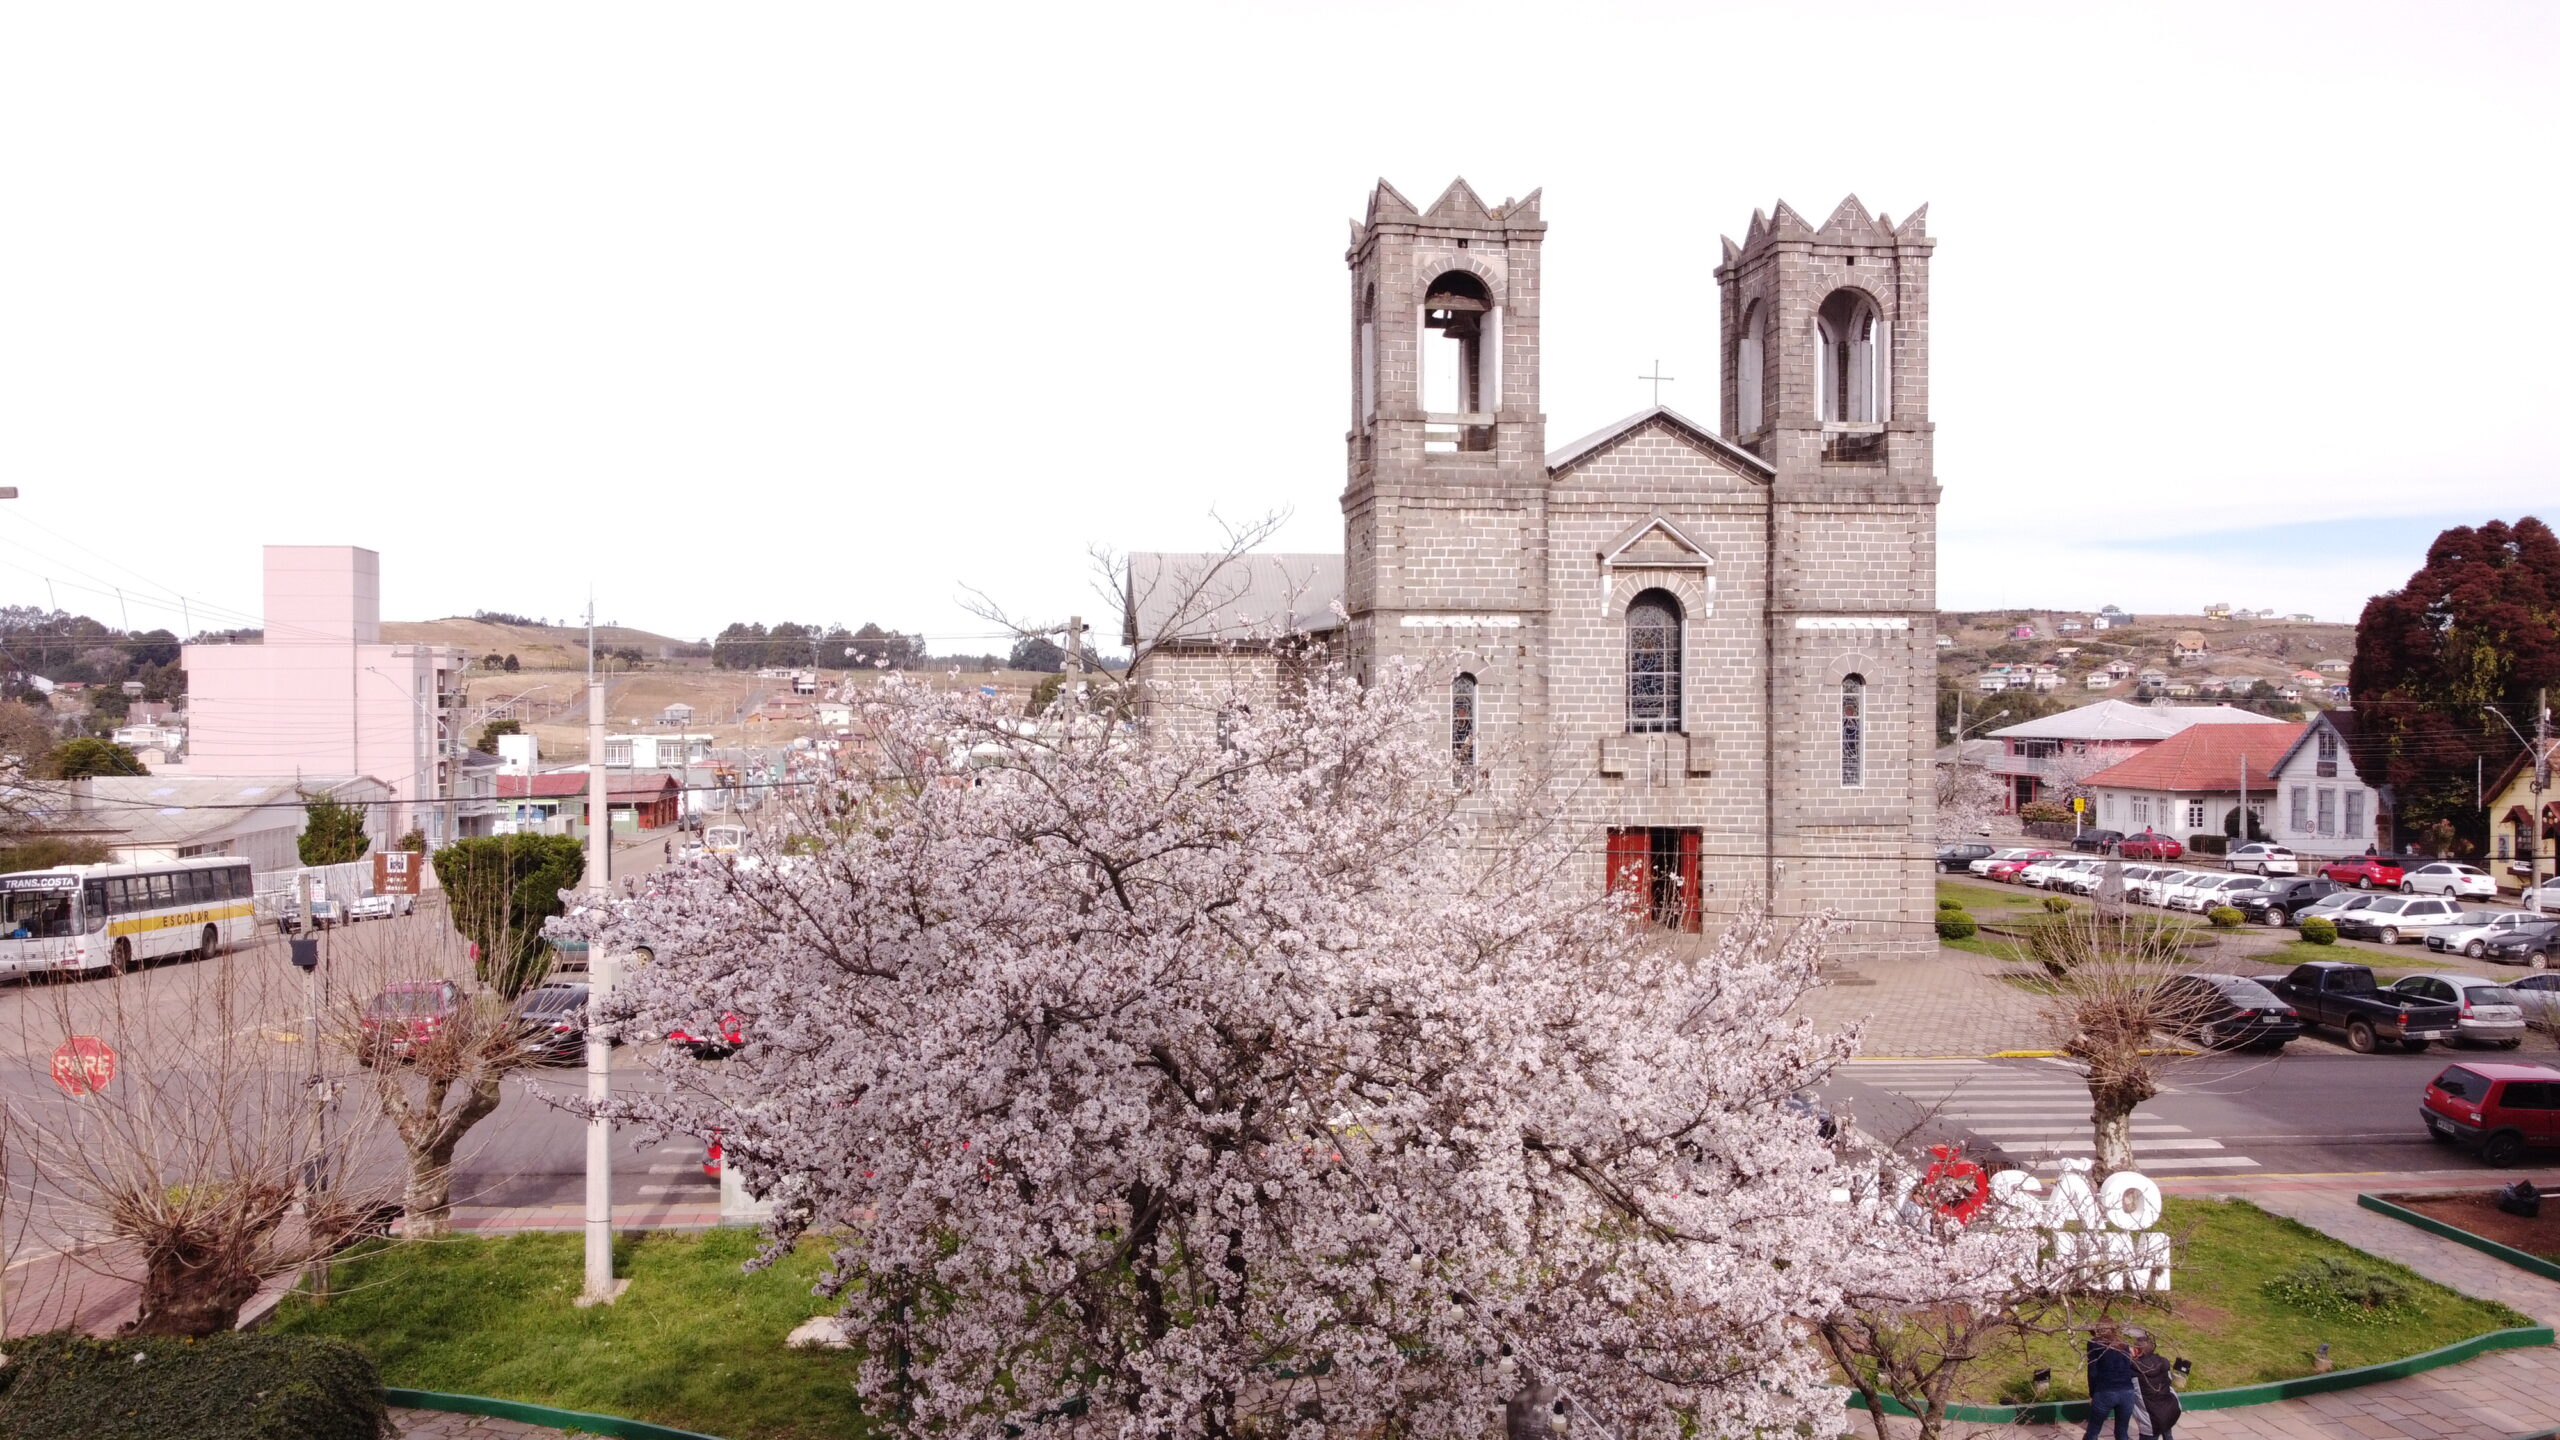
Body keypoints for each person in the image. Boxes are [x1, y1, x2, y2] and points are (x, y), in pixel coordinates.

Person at [2083, 1322, 2140, 1440]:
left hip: (2105, 1391)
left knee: (2093, 1431)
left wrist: (2092, 1393)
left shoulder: (2094, 1344)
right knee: (2122, 1433)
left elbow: (2092, 1371)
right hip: (2127, 1392)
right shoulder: (2123, 1343)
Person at [2129, 1330, 2181, 1439]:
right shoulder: (2164, 1362)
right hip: (2170, 1409)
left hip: (2151, 1419)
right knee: (2167, 1431)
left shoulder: (2134, 1370)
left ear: (2137, 1350)